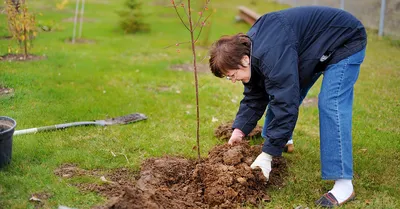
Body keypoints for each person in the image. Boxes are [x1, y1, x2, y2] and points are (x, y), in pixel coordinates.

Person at [209, 6, 367, 207]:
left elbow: (286, 101)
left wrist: (267, 155)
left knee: (330, 104)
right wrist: (239, 130)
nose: (233, 80)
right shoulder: (251, 51)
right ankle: (281, 141)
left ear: (244, 60)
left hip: (344, 39)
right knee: (279, 88)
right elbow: (255, 96)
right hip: (311, 48)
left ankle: (344, 183)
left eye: (232, 75)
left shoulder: (270, 53)